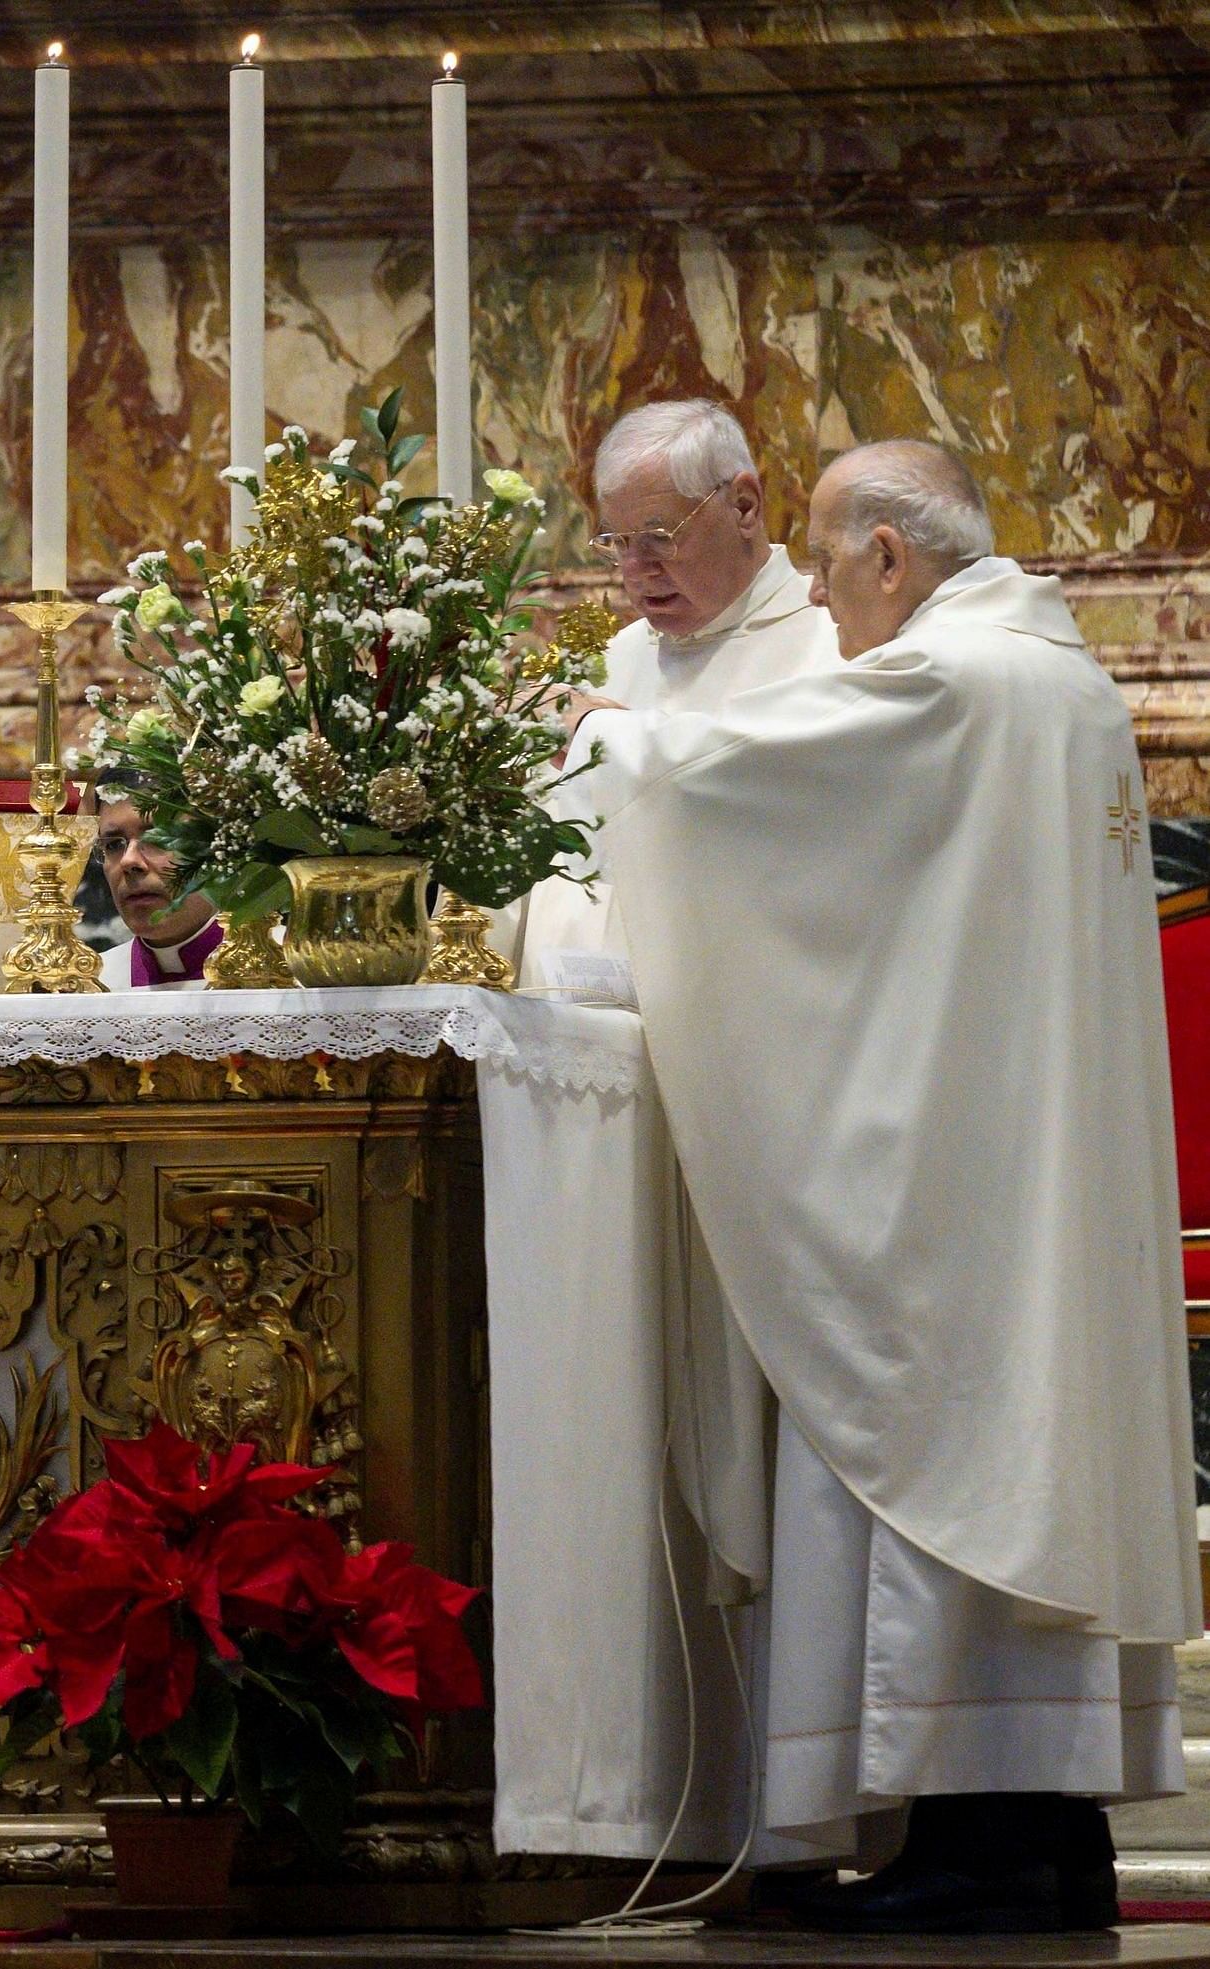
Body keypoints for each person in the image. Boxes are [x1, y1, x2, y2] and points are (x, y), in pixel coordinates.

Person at [562, 439, 1192, 1932]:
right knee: (1016, 1457)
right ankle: (1044, 1838)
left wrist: (606, 743)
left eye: (836, 566)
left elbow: (750, 789)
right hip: (1021, 1155)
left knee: (929, 1444)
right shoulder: (1062, 678)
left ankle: (967, 1850)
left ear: (893, 558)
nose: (827, 599)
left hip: (947, 1184)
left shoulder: (950, 680)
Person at [510, 400, 840, 981]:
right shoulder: (613, 663)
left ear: (744, 505)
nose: (634, 572)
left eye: (659, 538)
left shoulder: (836, 644)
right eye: (616, 542)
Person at [91, 796, 222, 989]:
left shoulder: (279, 968)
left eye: (160, 837)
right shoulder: (93, 987)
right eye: (113, 845)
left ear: (219, 847)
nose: (128, 861)